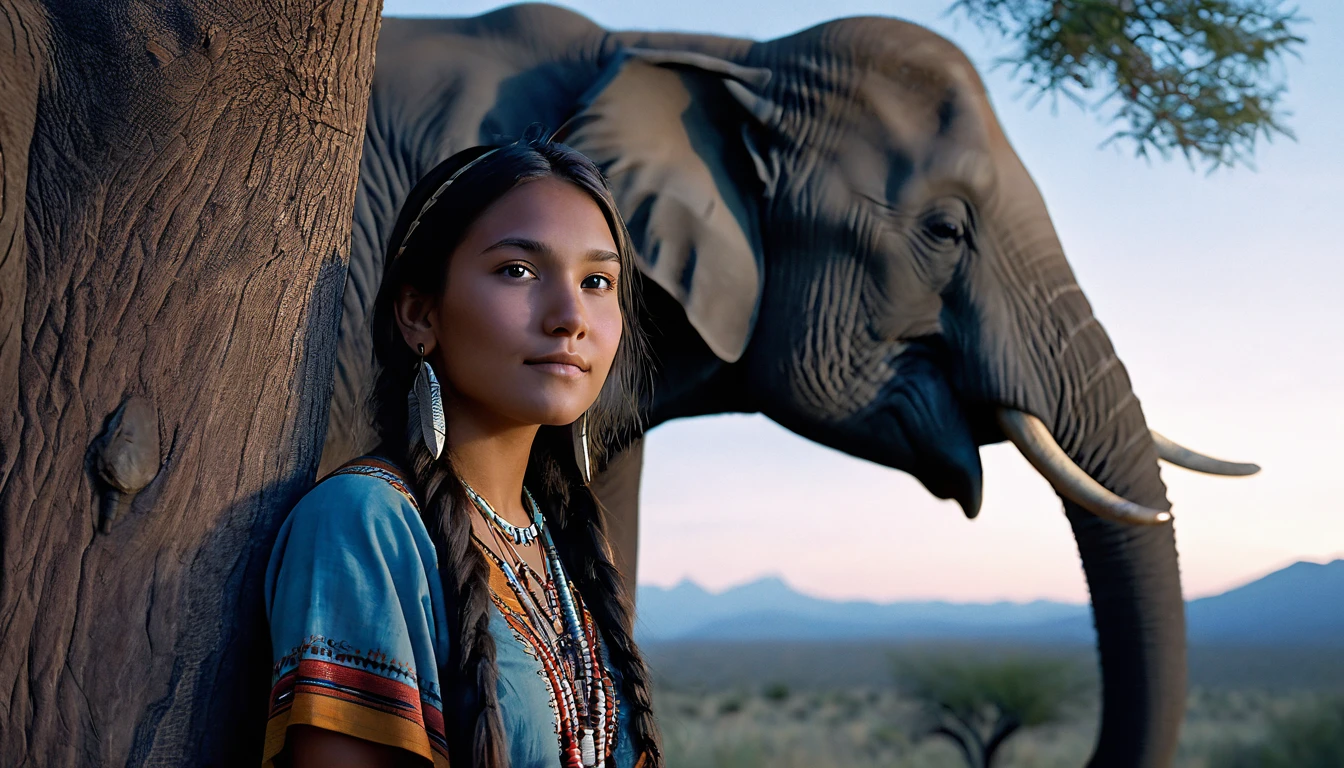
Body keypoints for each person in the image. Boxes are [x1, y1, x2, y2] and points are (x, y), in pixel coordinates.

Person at [261, 138, 661, 768]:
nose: (570, 317)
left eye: (597, 281)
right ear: (420, 313)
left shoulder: (572, 547)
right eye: (518, 271)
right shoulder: (366, 523)